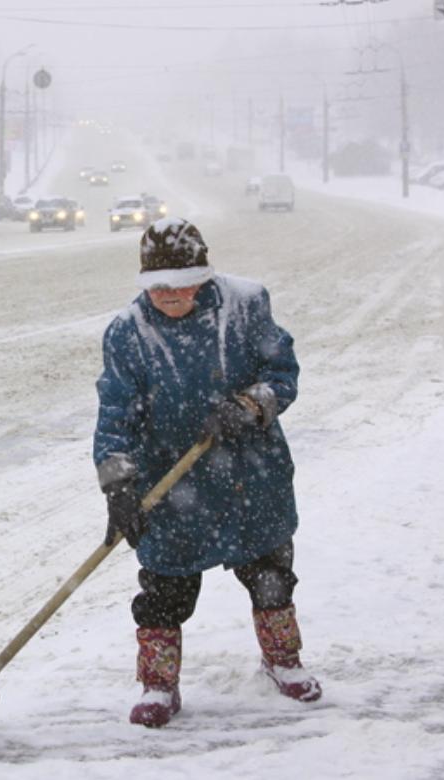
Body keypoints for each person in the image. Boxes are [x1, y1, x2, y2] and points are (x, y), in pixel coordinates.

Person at [93, 217, 321, 728]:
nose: (169, 297)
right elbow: (116, 414)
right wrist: (119, 484)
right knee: (164, 592)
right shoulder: (128, 332)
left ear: (204, 277)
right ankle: (158, 683)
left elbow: (282, 374)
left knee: (271, 578)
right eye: (157, 288)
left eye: (180, 286)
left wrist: (250, 404)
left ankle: (283, 661)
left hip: (249, 475)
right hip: (171, 484)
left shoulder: (246, 305)